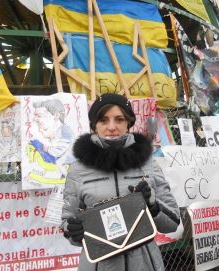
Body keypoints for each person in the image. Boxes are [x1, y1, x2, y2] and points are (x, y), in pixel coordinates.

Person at [61, 93, 180, 271]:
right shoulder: (78, 169)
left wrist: (152, 205)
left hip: (145, 265)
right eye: (103, 120)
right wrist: (74, 232)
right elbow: (67, 222)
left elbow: (172, 222)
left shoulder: (147, 164)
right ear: (94, 125)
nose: (111, 127)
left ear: (128, 123)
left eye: (119, 119)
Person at [26, 99, 75, 183]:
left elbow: (57, 152)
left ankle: (66, 177)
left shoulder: (65, 131)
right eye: (35, 116)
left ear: (56, 115)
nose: (35, 119)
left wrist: (44, 147)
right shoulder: (54, 131)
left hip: (66, 165)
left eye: (39, 116)